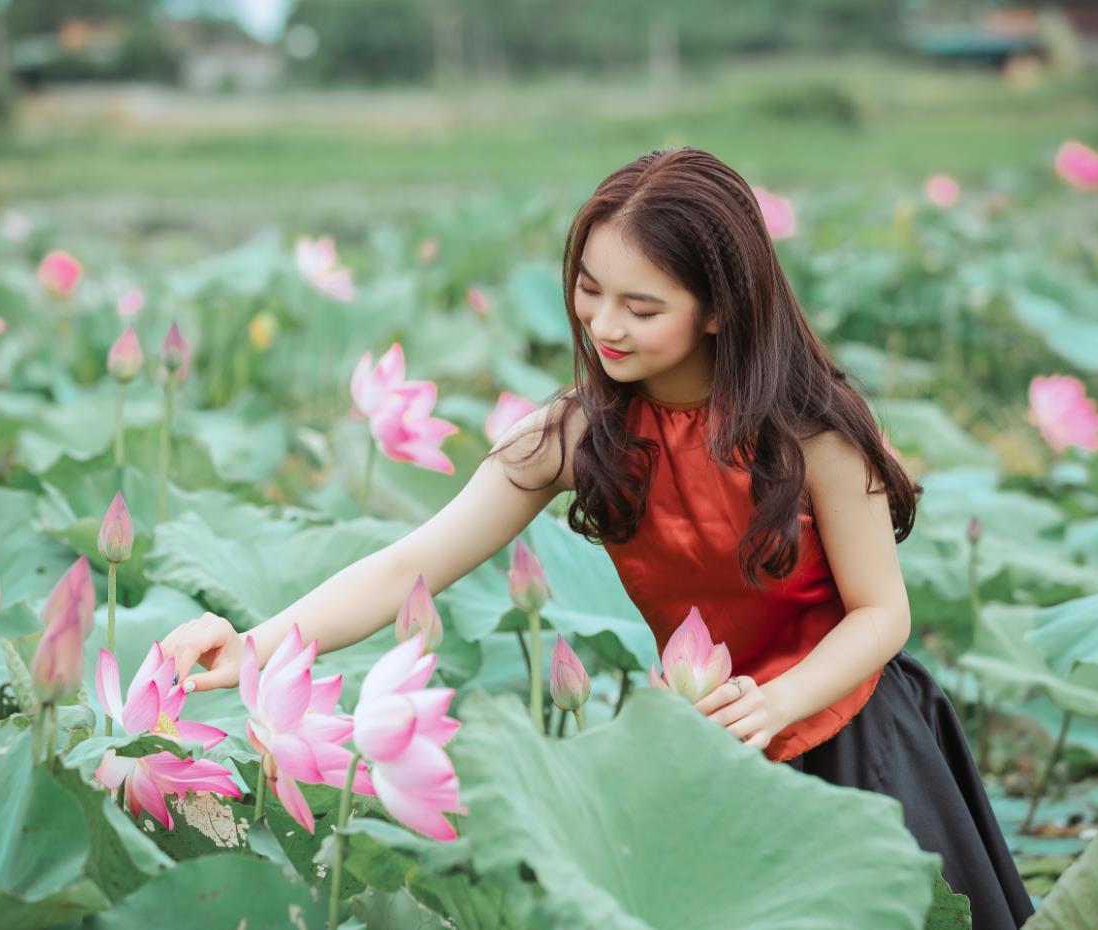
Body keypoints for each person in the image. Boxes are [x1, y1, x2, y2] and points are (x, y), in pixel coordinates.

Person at [160, 147, 1035, 928]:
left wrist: (777, 702)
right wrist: (255, 642)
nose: (603, 325)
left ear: (719, 309)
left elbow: (882, 615)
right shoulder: (580, 435)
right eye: (587, 289)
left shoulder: (813, 432)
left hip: (847, 726)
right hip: (698, 741)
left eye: (640, 306)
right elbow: (411, 561)